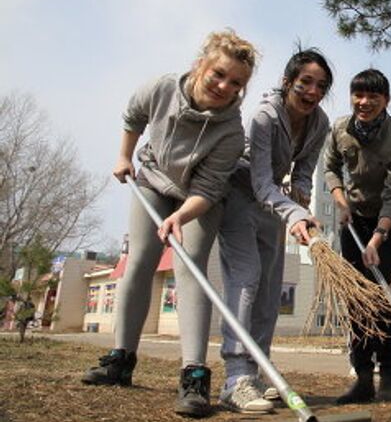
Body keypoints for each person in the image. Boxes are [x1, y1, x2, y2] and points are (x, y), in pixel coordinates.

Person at [82, 30, 258, 418]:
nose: (224, 86)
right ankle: (120, 359)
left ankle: (193, 374)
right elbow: (134, 117)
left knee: (191, 265)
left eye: (236, 84)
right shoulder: (162, 88)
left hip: (200, 196)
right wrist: (124, 156)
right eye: (218, 74)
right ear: (201, 65)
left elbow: (210, 187)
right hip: (153, 179)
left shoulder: (231, 131)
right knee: (141, 260)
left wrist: (180, 216)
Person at [216, 50, 332, 412]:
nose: (313, 91)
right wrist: (293, 213)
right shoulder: (265, 117)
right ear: (287, 82)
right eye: (306, 83)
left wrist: (301, 199)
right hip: (238, 195)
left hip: (272, 205)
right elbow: (262, 181)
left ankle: (259, 371)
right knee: (247, 279)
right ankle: (235, 379)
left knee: (269, 290)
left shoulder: (319, 122)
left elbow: (302, 172)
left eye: (321, 86)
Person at [324, 69, 391, 404]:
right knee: (355, 295)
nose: (364, 102)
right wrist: (339, 200)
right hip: (354, 217)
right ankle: (362, 376)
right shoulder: (340, 128)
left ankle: (389, 371)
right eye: (358, 95)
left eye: (372, 97)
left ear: (385, 101)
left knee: (378, 290)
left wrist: (378, 237)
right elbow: (330, 166)